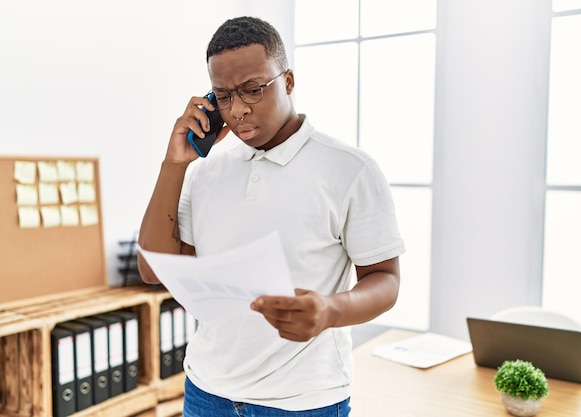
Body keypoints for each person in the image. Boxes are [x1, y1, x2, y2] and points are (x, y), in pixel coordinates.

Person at [137, 16, 405, 417]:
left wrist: (330, 310)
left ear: (289, 81)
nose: (238, 110)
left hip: (303, 402)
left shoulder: (350, 169)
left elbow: (385, 279)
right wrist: (174, 164)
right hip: (205, 392)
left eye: (252, 90)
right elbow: (151, 269)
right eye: (223, 96)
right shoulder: (205, 173)